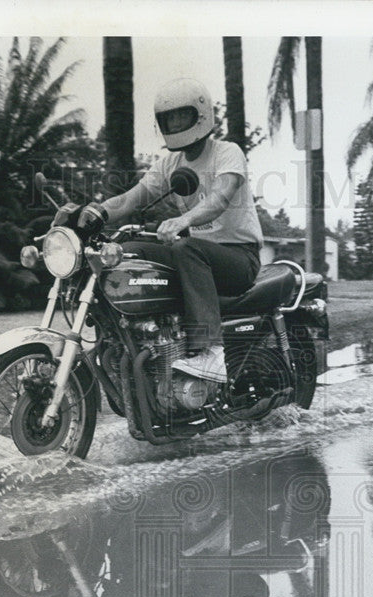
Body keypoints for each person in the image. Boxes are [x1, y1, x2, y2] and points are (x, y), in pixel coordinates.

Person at [79, 78, 263, 383]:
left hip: (238, 258)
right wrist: (97, 211)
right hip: (198, 259)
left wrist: (183, 221)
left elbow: (220, 197)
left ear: (201, 115)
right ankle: (123, 340)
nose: (176, 123)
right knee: (125, 250)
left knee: (185, 247)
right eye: (169, 118)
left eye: (182, 115)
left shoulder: (228, 152)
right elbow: (134, 198)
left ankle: (212, 353)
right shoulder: (169, 163)